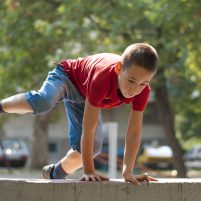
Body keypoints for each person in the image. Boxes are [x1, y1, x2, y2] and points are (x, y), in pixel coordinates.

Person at [0, 43, 158, 185]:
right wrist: (89, 171)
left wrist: (127, 172)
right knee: (44, 102)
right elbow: (88, 130)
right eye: (131, 80)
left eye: (143, 83)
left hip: (85, 97)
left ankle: (55, 173)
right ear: (118, 68)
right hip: (67, 78)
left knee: (93, 149)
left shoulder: (142, 92)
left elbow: (134, 133)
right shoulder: (102, 78)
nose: (135, 89)